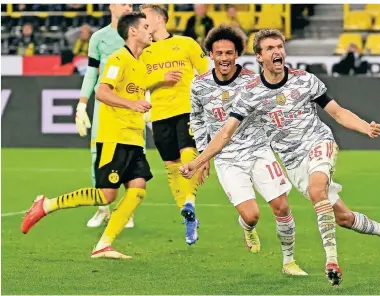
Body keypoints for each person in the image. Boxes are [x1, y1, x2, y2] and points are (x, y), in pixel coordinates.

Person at [180, 29, 380, 286]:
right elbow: (224, 133)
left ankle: (331, 262)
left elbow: (337, 112)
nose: (277, 51)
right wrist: (198, 161)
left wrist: (364, 127)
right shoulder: (250, 93)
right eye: (269, 48)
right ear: (259, 57)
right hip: (292, 161)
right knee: (343, 217)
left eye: (279, 46)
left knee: (316, 191)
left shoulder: (305, 80)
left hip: (319, 143)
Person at [21, 12, 153, 259]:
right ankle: (46, 205)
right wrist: (130, 104)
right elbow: (102, 92)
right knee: (106, 194)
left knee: (138, 189)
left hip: (133, 137)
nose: (150, 30)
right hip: (115, 137)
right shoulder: (117, 59)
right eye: (146, 26)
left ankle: (104, 244)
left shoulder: (141, 62)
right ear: (133, 31)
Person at [190, 25, 306, 275]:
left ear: (237, 54)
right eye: (218, 53)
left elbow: (271, 113)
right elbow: (197, 120)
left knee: (282, 207)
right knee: (251, 215)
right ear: (210, 54)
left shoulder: (252, 81)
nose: (224, 58)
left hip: (258, 150)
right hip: (227, 158)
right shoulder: (199, 85)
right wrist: (203, 157)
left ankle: (289, 261)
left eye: (229, 53)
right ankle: (248, 229)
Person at [139, 4, 209, 245]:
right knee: (171, 165)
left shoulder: (186, 43)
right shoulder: (143, 52)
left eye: (145, 15)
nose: (141, 20)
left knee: (188, 155)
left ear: (159, 19)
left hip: (187, 109)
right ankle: (188, 215)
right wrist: (161, 80)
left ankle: (190, 199)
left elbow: (206, 76)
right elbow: (138, 85)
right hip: (159, 115)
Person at [74, 4, 136, 229]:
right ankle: (102, 208)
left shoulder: (139, 34)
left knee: (131, 157)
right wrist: (82, 103)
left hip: (131, 105)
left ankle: (126, 212)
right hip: (104, 105)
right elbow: (92, 72)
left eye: (131, 3)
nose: (128, 6)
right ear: (111, 6)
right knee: (97, 156)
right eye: (123, 2)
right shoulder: (99, 38)